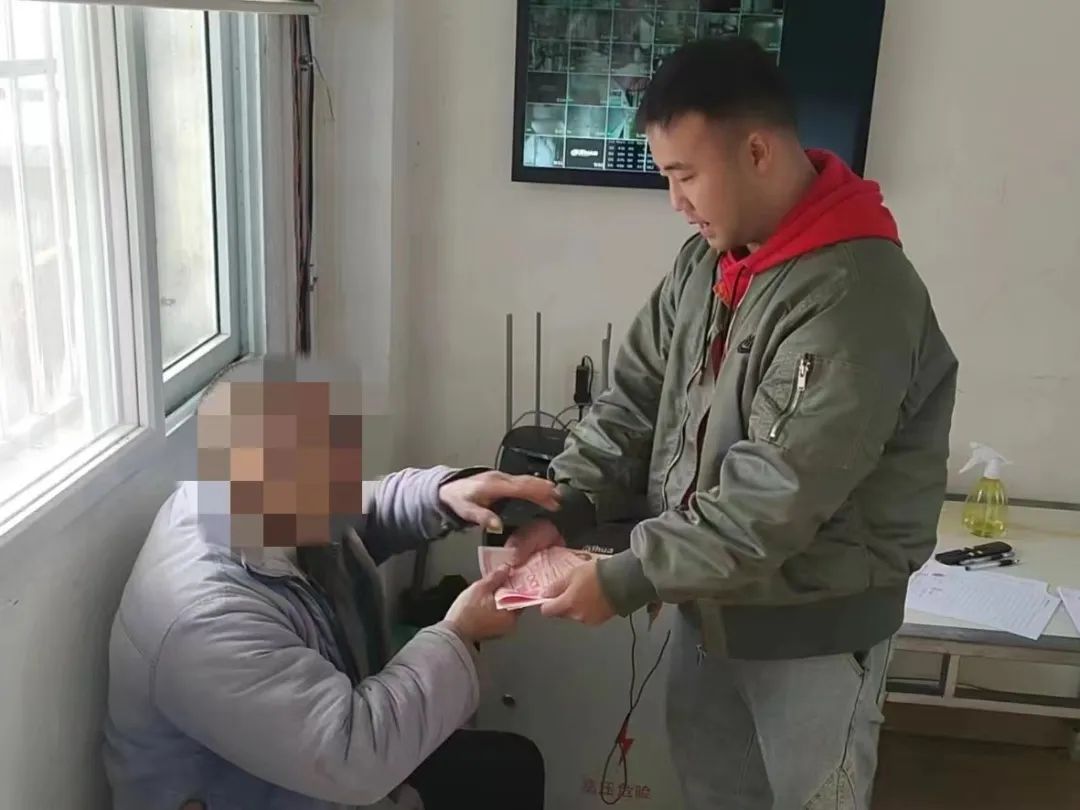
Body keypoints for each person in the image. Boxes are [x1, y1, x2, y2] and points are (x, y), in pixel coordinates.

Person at [508, 38, 958, 810]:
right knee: (714, 794)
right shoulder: (705, 265)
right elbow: (633, 401)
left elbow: (774, 497)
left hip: (815, 632)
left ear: (756, 151)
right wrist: (563, 503)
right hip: (708, 608)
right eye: (666, 177)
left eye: (686, 175)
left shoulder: (856, 293)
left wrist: (624, 577)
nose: (676, 201)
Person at [103, 355, 556, 810]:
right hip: (323, 773)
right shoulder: (206, 622)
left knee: (510, 767)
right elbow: (354, 758)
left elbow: (365, 510)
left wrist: (442, 495)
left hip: (315, 773)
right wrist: (459, 633)